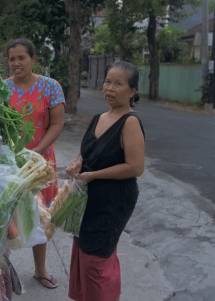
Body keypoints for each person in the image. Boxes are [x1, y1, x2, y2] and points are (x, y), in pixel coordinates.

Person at [65, 61, 145, 301]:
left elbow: (135, 167)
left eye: (118, 84)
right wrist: (78, 162)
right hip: (88, 198)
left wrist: (94, 175)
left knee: (97, 256)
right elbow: (87, 151)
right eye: (108, 82)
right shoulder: (99, 117)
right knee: (84, 248)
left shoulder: (129, 122)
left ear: (132, 91)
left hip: (113, 200)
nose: (110, 88)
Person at [4, 38, 65, 289]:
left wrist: (37, 150)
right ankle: (0, 270)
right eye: (11, 59)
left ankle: (40, 269)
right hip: (11, 161)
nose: (16, 63)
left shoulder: (50, 87)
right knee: (6, 217)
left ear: (33, 59)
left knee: (42, 216)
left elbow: (57, 124)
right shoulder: (2, 88)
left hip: (41, 164)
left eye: (21, 58)